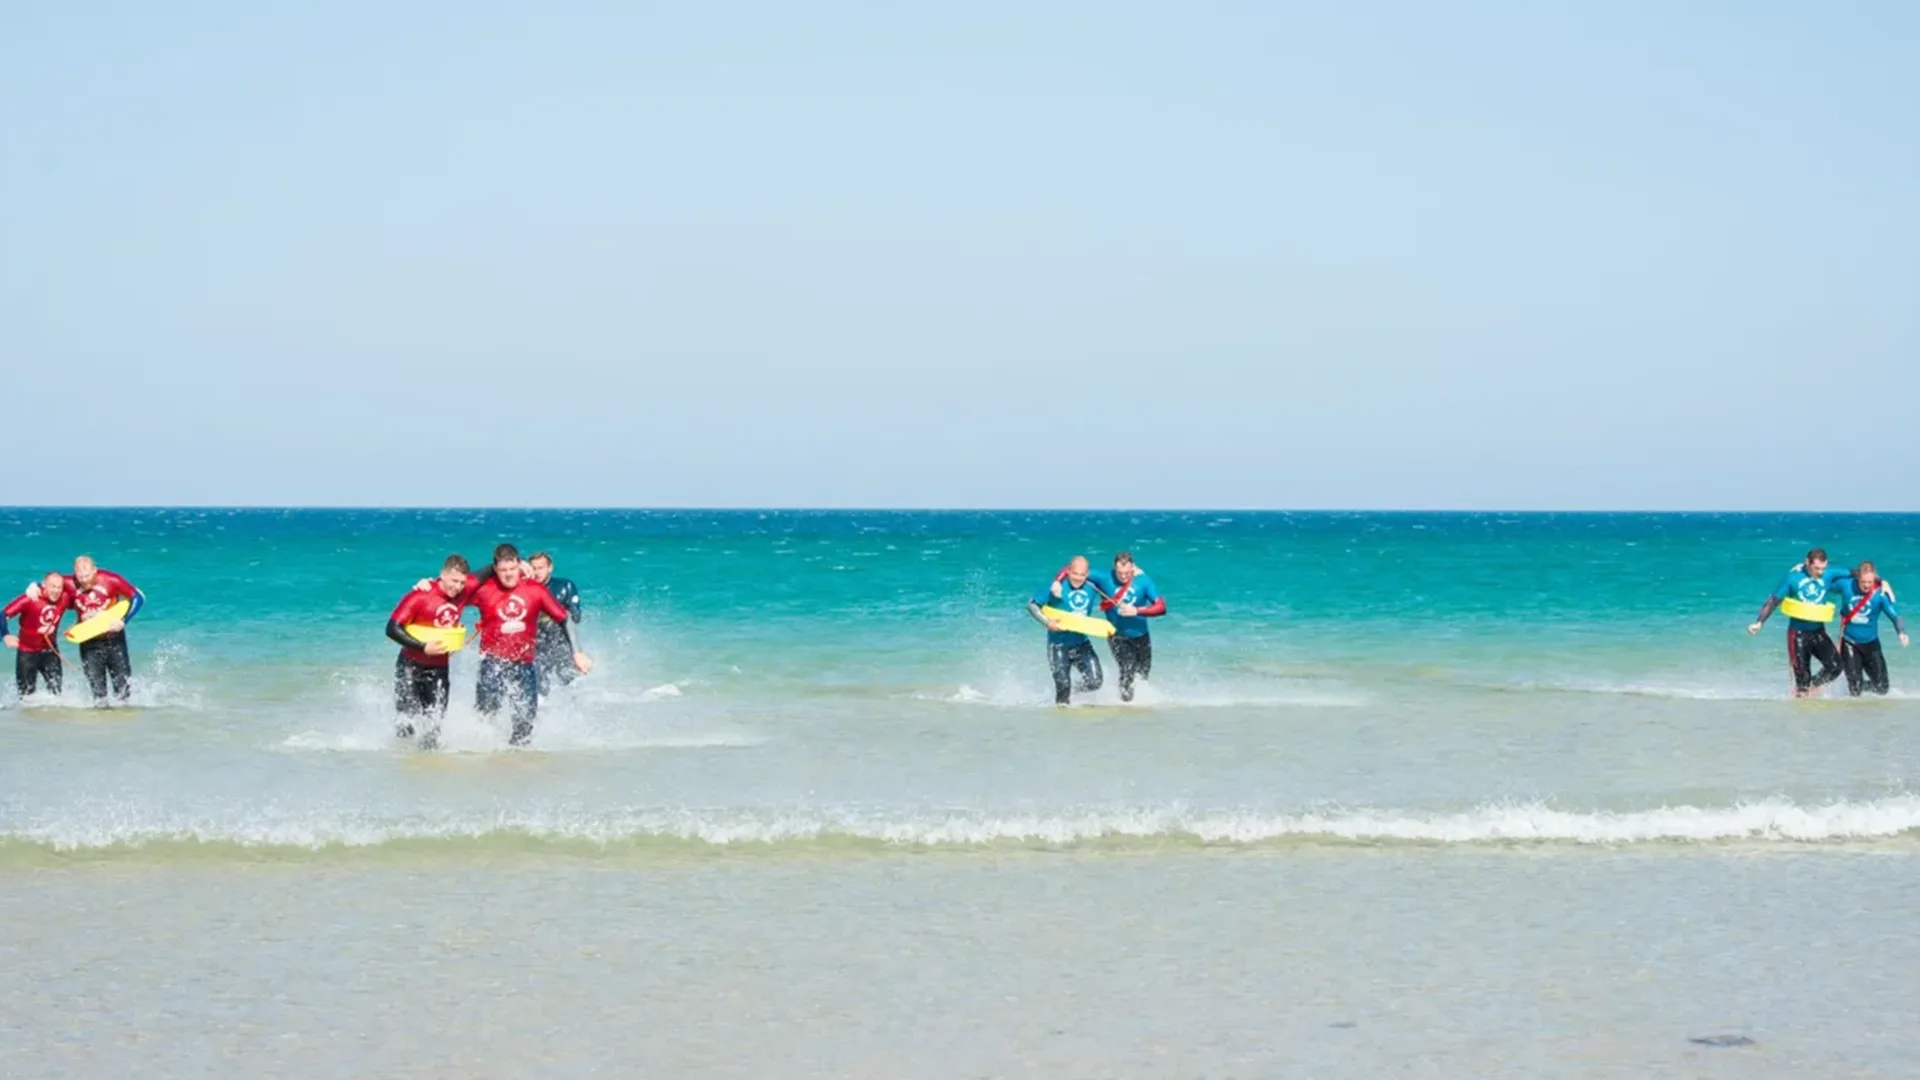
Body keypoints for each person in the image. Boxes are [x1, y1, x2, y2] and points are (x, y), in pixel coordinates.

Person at [454, 544, 591, 745]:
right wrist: (425, 586)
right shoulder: (485, 589)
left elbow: (565, 618)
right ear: (495, 568)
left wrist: (577, 653)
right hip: (492, 663)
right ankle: (487, 760)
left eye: (512, 569)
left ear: (519, 565)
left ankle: (517, 762)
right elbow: (454, 588)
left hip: (524, 665)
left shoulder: (535, 589)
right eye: (503, 570)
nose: (509, 575)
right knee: (485, 718)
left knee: (525, 725)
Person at [384, 554, 473, 748]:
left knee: (434, 726)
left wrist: (523, 566)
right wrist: (424, 647)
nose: (457, 587)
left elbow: (491, 571)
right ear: (442, 575)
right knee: (407, 725)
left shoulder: (463, 593)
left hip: (439, 670)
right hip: (410, 667)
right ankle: (400, 761)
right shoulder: (420, 596)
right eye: (454, 581)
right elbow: (392, 628)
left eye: (462, 583)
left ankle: (428, 764)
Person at [1747, 548, 1859, 697]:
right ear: (1807, 562)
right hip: (1798, 635)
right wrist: (1759, 622)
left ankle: (1811, 688)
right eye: (1816, 568)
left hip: (1818, 632)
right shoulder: (1792, 578)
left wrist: (1881, 583)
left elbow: (1857, 573)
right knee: (1802, 681)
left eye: (1823, 568)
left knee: (1835, 667)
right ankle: (1802, 697)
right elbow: (1773, 600)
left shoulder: (1829, 573)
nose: (1820, 572)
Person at [1027, 556, 1105, 706]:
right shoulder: (1056, 587)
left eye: (1082, 575)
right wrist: (1047, 622)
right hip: (1058, 645)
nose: (1078, 578)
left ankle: (1073, 691)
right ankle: (1061, 714)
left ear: (1087, 574)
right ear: (1068, 571)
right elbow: (1031, 605)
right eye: (1075, 573)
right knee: (1063, 689)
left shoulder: (1092, 587)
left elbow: (1114, 580)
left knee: (1095, 682)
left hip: (1081, 643)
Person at [1089, 552, 1166, 702]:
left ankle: (1136, 707)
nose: (1123, 576)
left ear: (1133, 568)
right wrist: (1057, 583)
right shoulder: (1104, 577)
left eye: (1127, 573)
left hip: (1141, 636)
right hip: (1117, 636)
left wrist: (1136, 611)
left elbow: (1161, 607)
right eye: (1120, 573)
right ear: (1114, 568)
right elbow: (1073, 570)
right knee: (1127, 669)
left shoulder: (1143, 581)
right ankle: (1125, 705)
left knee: (1142, 675)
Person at [1832, 562, 1907, 697]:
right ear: (1857, 577)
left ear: (1875, 579)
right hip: (1849, 643)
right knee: (1855, 690)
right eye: (1863, 582)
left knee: (1882, 688)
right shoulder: (1846, 585)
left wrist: (1901, 632)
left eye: (1870, 582)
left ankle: (1859, 687)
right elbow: (1824, 582)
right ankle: (1854, 691)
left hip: (1871, 644)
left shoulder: (1880, 593)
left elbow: (1895, 615)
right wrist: (1804, 570)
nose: (1867, 585)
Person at [4, 572, 73, 699]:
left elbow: (81, 594)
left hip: (50, 652)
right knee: (25, 697)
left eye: (59, 587)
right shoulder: (30, 598)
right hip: (27, 653)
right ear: (44, 585)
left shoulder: (65, 598)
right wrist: (5, 635)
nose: (56, 591)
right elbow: (2, 616)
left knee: (57, 695)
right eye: (53, 586)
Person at [527, 551, 584, 696]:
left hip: (561, 644)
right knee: (541, 689)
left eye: (541, 568)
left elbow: (576, 617)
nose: (537, 572)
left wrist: (553, 613)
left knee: (570, 686)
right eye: (533, 568)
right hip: (538, 646)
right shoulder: (525, 589)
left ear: (550, 568)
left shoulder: (565, 586)